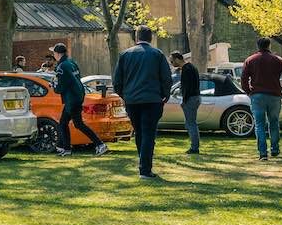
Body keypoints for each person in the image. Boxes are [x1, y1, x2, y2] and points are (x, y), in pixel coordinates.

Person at [113, 26, 172, 180]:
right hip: (152, 100)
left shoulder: (125, 55)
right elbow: (166, 78)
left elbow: (117, 81)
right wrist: (165, 95)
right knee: (148, 134)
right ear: (150, 38)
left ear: (136, 37)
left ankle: (143, 165)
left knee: (139, 133)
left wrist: (125, 96)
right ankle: (145, 169)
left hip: (132, 100)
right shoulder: (157, 54)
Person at [240, 37, 282, 161]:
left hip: (257, 95)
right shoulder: (278, 60)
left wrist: (249, 91)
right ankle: (275, 149)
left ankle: (263, 153)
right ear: (269, 46)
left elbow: (243, 79)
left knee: (259, 124)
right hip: (274, 94)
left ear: (257, 46)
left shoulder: (250, 60)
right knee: (274, 123)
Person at [52, 43, 108, 158]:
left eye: (54, 53)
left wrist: (54, 86)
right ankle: (66, 149)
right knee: (63, 123)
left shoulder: (62, 66)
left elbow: (61, 87)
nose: (53, 55)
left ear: (57, 54)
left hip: (71, 99)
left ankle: (100, 144)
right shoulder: (72, 62)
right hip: (76, 96)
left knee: (78, 124)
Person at [171, 51, 201, 154]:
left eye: (172, 61)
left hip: (190, 99)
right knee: (190, 123)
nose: (172, 63)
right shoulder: (191, 67)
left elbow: (187, 87)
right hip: (195, 97)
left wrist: (184, 100)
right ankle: (194, 146)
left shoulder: (186, 69)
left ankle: (194, 148)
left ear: (177, 59)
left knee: (191, 124)